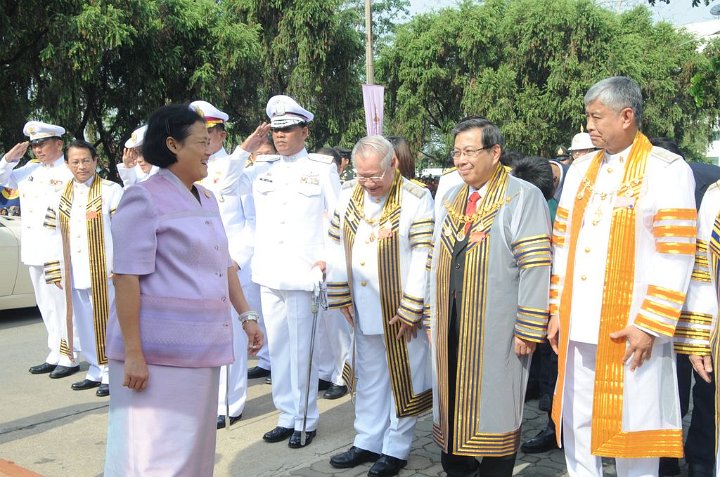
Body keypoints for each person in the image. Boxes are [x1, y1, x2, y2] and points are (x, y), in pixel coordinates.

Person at [103, 104, 263, 476]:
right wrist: (133, 354)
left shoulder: (205, 197)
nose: (210, 150)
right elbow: (126, 278)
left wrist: (247, 315)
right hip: (156, 357)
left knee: (193, 449)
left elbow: (224, 263)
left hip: (201, 350)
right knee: (152, 453)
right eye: (202, 142)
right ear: (173, 145)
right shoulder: (143, 197)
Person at [548, 76, 696, 477]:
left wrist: (650, 324)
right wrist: (557, 310)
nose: (589, 126)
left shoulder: (666, 170)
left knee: (633, 424)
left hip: (631, 326)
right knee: (578, 420)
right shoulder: (580, 171)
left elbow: (677, 253)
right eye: (588, 117)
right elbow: (562, 245)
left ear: (627, 116)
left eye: (596, 117)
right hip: (579, 323)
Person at [428, 117, 552, 477]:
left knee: (495, 406)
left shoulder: (521, 196)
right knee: (451, 401)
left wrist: (529, 326)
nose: (461, 160)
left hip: (496, 325)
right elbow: (433, 257)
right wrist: (430, 316)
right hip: (451, 320)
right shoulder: (452, 196)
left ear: (495, 152)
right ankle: (458, 466)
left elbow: (536, 264)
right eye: (456, 152)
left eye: (470, 151)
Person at [238, 94, 340, 448]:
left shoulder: (321, 169)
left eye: (288, 129)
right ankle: (286, 415)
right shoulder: (259, 169)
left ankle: (305, 418)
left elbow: (338, 220)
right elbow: (222, 187)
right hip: (269, 273)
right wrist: (243, 150)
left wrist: (327, 258)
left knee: (303, 351)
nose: (280, 136)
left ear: (304, 131)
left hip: (303, 275)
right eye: (276, 130)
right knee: (279, 349)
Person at [327, 136, 433, 477]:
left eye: (375, 175)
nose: (370, 183)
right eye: (362, 175)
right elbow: (333, 242)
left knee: (404, 378)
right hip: (360, 306)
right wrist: (340, 291)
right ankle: (367, 441)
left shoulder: (417, 198)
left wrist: (412, 305)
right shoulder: (347, 196)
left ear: (393, 165)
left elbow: (424, 254)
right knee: (370, 377)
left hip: (401, 309)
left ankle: (395, 449)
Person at [190, 99, 271, 429]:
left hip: (233, 263)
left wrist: (240, 258)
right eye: (197, 134)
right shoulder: (190, 169)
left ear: (221, 135)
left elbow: (250, 219)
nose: (203, 140)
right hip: (198, 264)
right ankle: (208, 401)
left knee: (234, 335)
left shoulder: (236, 168)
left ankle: (231, 403)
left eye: (208, 133)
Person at [651, 137, 719, 477]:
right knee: (677, 384)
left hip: (694, 301)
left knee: (699, 386)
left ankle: (696, 458)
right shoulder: (711, 190)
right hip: (676, 303)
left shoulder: (705, 182)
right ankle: (679, 458)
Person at [43, 140, 124, 398]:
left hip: (106, 271)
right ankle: (95, 368)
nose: (81, 166)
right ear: (67, 164)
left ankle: (112, 370)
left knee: (109, 321)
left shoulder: (111, 191)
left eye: (86, 160)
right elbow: (52, 235)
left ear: (96, 161)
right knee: (83, 321)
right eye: (75, 162)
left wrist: (120, 265)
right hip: (73, 270)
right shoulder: (58, 197)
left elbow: (124, 232)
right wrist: (55, 269)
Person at [0, 122, 79, 378]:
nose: (37, 149)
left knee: (64, 305)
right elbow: (2, 181)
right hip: (34, 248)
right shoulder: (28, 171)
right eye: (34, 145)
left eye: (42, 143)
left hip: (58, 249)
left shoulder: (70, 171)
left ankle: (71, 355)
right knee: (45, 304)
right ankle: (54, 352)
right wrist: (8, 160)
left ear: (58, 144)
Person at [679, 180, 719, 477]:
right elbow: (703, 272)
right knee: (708, 397)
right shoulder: (716, 197)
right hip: (717, 334)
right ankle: (702, 460)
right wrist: (696, 339)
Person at [313, 146, 352, 400]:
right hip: (309, 264)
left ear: (339, 166)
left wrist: (329, 259)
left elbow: (338, 225)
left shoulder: (342, 188)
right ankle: (325, 372)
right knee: (319, 326)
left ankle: (342, 375)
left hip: (330, 263)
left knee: (336, 325)